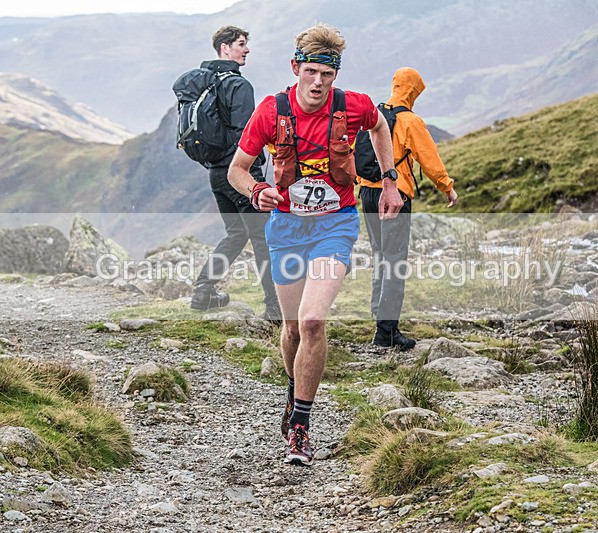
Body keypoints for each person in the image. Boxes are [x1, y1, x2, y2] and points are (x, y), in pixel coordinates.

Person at [228, 24, 403, 466]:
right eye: (311, 73)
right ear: (296, 69)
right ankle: (294, 390)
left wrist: (388, 181)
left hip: (335, 226)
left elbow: (382, 127)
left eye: (327, 75)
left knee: (311, 322)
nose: (319, 83)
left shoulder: (354, 106)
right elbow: (237, 169)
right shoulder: (270, 111)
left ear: (335, 74)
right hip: (286, 228)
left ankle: (301, 428)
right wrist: (256, 191)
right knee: (289, 330)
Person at [358, 67, 458, 351]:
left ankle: (379, 315)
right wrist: (447, 186)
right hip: (395, 195)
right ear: (413, 90)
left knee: (380, 255)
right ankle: (386, 332)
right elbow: (429, 158)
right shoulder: (410, 121)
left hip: (367, 192)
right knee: (394, 260)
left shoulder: (373, 114)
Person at [188, 25, 280, 321]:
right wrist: (252, 176)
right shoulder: (239, 86)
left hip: (215, 173)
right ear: (224, 48)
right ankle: (276, 308)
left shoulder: (205, 85)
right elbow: (246, 136)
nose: (246, 49)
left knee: (236, 232)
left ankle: (204, 290)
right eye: (241, 44)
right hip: (240, 175)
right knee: (264, 237)